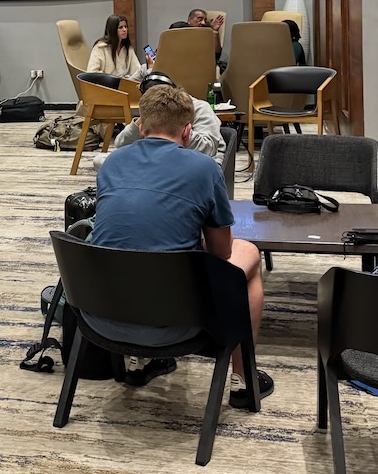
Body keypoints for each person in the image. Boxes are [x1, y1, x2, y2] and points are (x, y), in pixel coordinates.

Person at [85, 84, 269, 405]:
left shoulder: (112, 163)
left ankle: (138, 362)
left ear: (142, 127)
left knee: (138, 251)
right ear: (187, 131)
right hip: (175, 323)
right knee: (248, 255)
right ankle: (243, 380)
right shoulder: (204, 169)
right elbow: (221, 253)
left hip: (99, 316)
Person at [91, 71, 224, 170]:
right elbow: (121, 146)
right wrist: (141, 121)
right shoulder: (150, 109)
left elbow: (209, 149)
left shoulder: (200, 107)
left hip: (190, 160)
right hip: (155, 157)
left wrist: (179, 131)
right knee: (101, 160)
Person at [86, 14, 146, 81]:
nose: (124, 30)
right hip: (106, 84)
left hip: (124, 84)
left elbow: (137, 71)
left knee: (144, 69)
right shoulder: (100, 48)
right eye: (120, 27)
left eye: (125, 27)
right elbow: (92, 73)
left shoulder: (128, 49)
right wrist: (111, 79)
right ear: (113, 30)